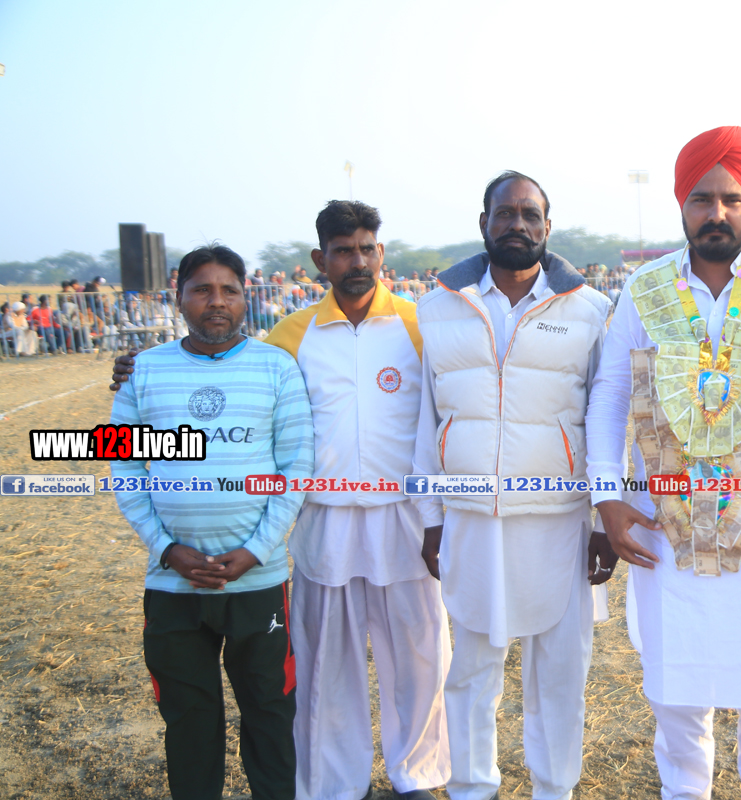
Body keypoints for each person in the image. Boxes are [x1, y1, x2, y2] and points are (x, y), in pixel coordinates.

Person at [112, 202, 450, 800]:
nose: (357, 261)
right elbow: (223, 365)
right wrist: (139, 368)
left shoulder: (420, 323)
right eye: (342, 251)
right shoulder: (290, 335)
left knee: (422, 655)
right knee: (327, 661)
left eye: (366, 249)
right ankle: (337, 783)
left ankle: (417, 775)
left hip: (404, 514)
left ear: (380, 254)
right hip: (322, 518)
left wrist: (440, 513)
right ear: (321, 259)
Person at [586, 127, 741, 798]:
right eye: (701, 199)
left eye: (731, 199)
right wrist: (607, 498)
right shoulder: (646, 287)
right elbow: (610, 393)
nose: (716, 213)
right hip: (666, 526)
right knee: (677, 691)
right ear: (682, 205)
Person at [414, 171, 616, 800]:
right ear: (484, 223)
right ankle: (472, 787)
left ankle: (555, 789)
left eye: (531, 215)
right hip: (471, 518)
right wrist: (431, 518)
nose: (518, 225)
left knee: (559, 675)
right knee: (471, 671)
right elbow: (427, 419)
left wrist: (605, 520)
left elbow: (606, 420)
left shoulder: (590, 310)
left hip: (558, 520)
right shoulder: (437, 308)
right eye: (505, 213)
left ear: (547, 227)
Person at [111, 244, 314, 800]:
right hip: (172, 583)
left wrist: (256, 550)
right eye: (202, 289)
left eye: (229, 290)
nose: (216, 301)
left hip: (258, 580)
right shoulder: (143, 370)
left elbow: (296, 467)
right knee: (189, 717)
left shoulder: (277, 367)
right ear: (178, 297)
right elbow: (125, 469)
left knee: (270, 711)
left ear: (246, 298)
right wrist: (166, 548)